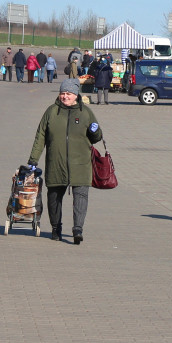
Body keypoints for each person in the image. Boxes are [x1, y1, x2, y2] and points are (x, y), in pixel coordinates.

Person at [27, 78, 103, 245]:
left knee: (81, 196)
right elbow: (40, 136)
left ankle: (78, 229)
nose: (65, 96)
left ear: (76, 95)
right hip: (56, 162)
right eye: (63, 93)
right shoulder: (51, 112)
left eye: (68, 93)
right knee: (54, 196)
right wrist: (34, 159)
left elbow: (96, 138)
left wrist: (96, 131)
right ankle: (56, 228)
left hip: (81, 164)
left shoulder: (86, 113)